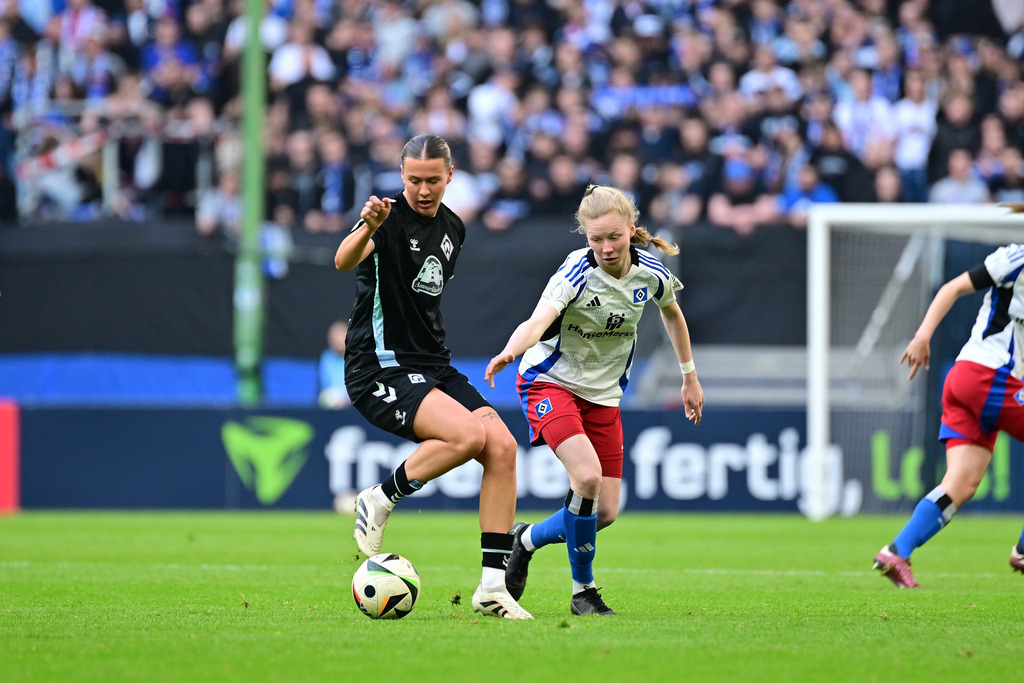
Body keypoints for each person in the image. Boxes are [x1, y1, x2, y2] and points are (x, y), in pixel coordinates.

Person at [334, 133, 531, 620]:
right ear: (402, 178)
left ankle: (492, 589)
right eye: (414, 180)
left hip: (433, 365)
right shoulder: (384, 218)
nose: (423, 189)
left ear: (450, 176)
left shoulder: (453, 229)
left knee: (502, 449)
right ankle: (380, 497)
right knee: (466, 435)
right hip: (379, 365)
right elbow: (342, 261)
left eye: (433, 180)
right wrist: (366, 227)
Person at [484, 185, 705, 615]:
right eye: (595, 239)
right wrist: (511, 350)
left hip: (604, 396)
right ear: (584, 237)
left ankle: (523, 540)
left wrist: (689, 377)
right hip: (550, 382)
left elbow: (673, 314)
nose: (605, 248)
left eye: (614, 237)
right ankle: (583, 592)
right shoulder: (575, 273)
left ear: (631, 230)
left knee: (603, 512)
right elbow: (538, 321)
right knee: (585, 478)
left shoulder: (650, 273)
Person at [873, 238, 1024, 588]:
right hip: (988, 377)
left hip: (964, 379)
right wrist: (922, 335)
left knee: (962, 483)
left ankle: (897, 550)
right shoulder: (1016, 258)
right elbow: (953, 287)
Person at [318, 320, 350, 409]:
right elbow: (325, 384)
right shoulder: (326, 356)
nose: (336, 340)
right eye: (333, 337)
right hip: (332, 403)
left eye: (340, 336)